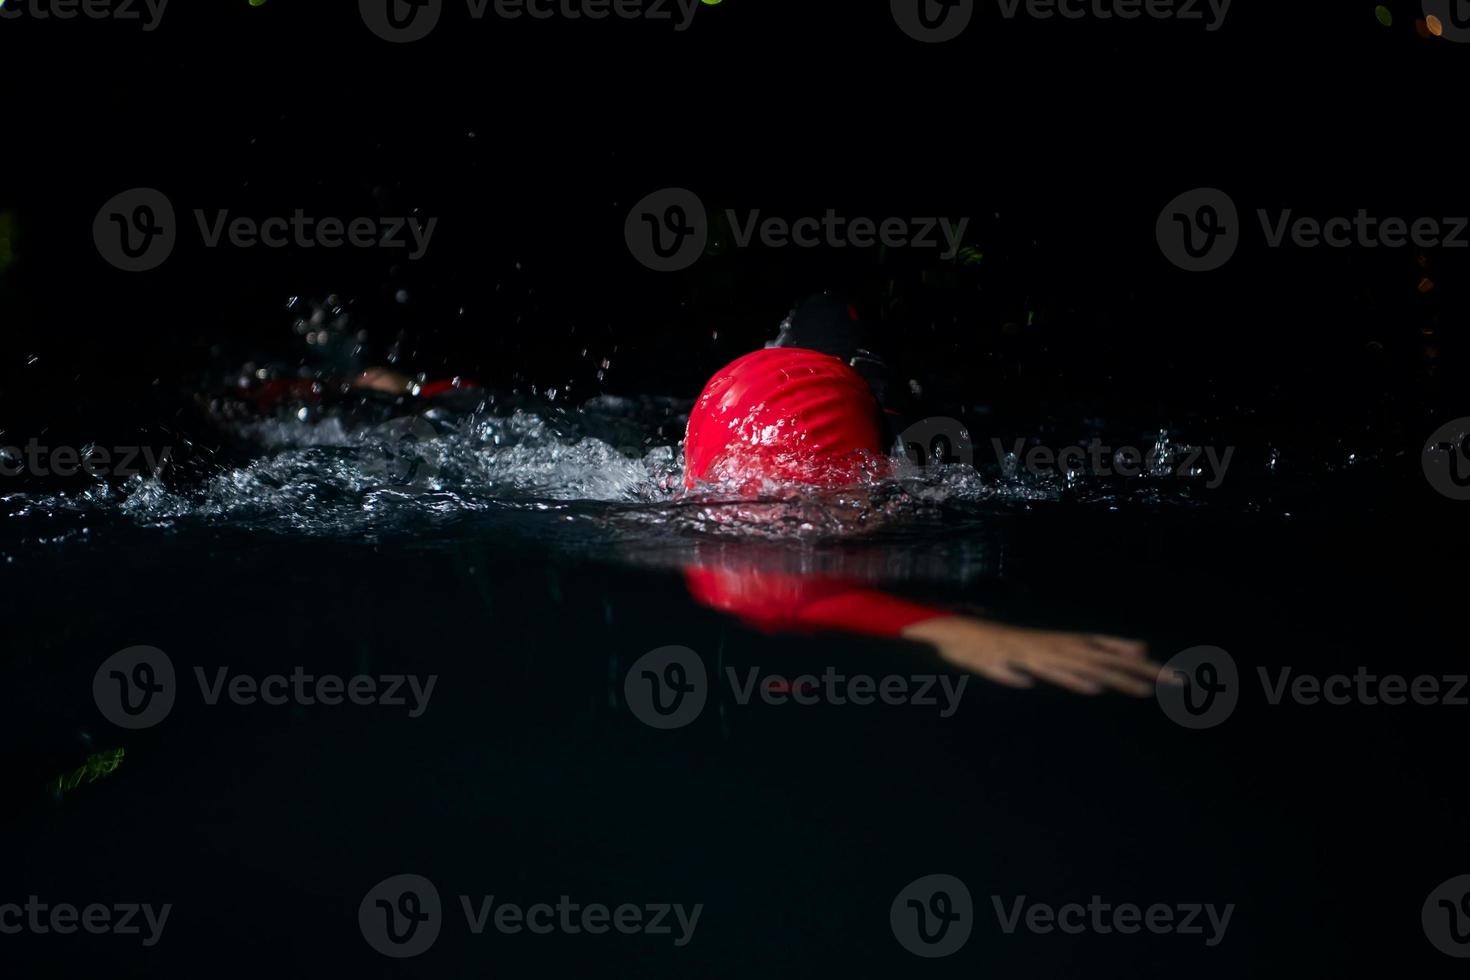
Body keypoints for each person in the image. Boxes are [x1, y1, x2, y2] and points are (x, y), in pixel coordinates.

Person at [681, 293, 1168, 697]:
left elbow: (786, 595)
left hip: (760, 392)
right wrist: (958, 631)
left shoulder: (887, 457)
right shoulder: (737, 566)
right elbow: (790, 597)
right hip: (736, 395)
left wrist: (956, 630)